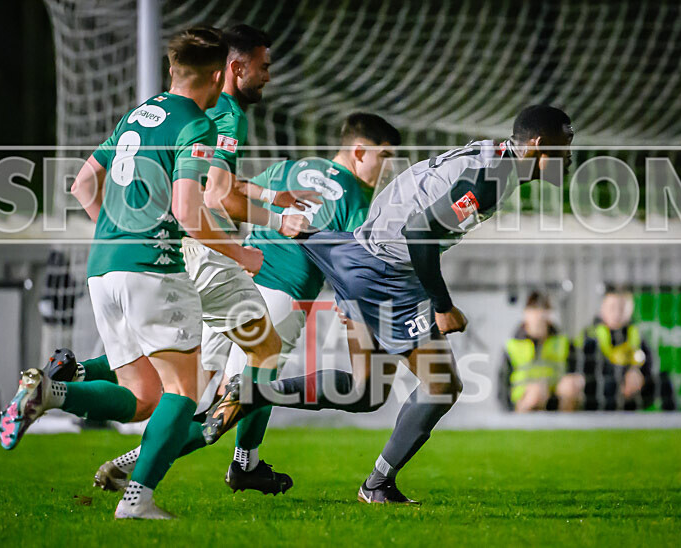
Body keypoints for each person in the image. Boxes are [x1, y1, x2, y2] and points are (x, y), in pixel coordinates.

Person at [202, 105, 575, 504]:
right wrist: (441, 304)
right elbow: (419, 232)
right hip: (387, 273)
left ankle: (255, 392)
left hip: (361, 256)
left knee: (365, 391)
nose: (568, 160)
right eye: (564, 149)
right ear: (536, 146)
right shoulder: (495, 177)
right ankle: (376, 485)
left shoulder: (492, 155)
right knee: (441, 385)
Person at [0, 26, 283, 520]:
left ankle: (51, 390)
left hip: (103, 266)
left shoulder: (137, 114)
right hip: (154, 268)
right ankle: (138, 498)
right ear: (219, 75)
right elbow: (191, 212)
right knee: (184, 392)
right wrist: (242, 255)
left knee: (141, 397)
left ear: (172, 69)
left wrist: (119, 230)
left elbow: (84, 183)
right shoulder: (199, 124)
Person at [93, 112, 400, 496]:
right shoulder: (356, 196)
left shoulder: (287, 170)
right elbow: (354, 264)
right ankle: (127, 469)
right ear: (359, 151)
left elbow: (227, 196)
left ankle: (246, 464)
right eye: (384, 156)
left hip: (232, 283)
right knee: (235, 403)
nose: (386, 168)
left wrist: (239, 246)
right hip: (281, 297)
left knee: (192, 389)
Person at [557, 286, 676, 411]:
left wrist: (638, 373)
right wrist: (623, 373)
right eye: (612, 308)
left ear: (630, 310)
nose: (617, 313)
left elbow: (650, 362)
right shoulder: (590, 335)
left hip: (631, 393)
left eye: (622, 308)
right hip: (600, 395)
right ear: (603, 309)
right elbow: (582, 367)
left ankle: (674, 423)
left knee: (664, 380)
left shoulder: (635, 334)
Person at [498, 292, 570, 412]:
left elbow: (572, 371)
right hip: (524, 400)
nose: (539, 315)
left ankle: (568, 427)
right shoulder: (513, 345)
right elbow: (502, 386)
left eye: (543, 309)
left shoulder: (562, 342)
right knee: (536, 393)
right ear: (525, 314)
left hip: (555, 397)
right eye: (534, 310)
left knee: (571, 385)